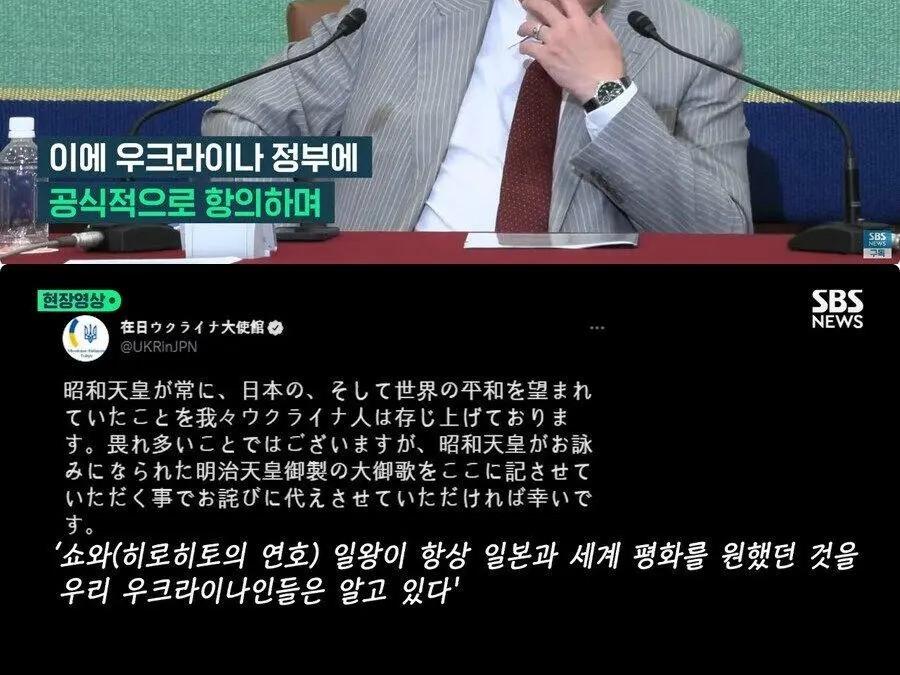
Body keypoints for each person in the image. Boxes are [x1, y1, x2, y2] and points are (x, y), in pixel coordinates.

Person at [203, 0, 753, 233]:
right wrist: (283, 242)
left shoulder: (695, 43)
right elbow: (243, 123)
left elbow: (723, 233)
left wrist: (608, 96)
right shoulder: (397, 12)